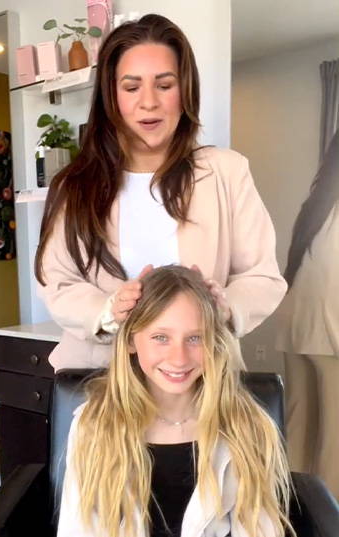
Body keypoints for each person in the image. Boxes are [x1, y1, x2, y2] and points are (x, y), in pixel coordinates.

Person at [35, 13, 287, 371]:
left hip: (203, 378)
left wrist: (226, 304)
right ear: (111, 96)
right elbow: (58, 281)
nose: (149, 102)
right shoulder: (75, 184)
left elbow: (262, 276)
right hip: (101, 377)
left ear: (184, 91)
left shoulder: (226, 171)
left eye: (164, 85)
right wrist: (107, 310)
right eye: (131, 86)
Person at [56, 266, 294, 537]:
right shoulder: (93, 426)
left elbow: (260, 529)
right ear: (132, 341)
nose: (179, 358)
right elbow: (78, 529)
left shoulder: (249, 427)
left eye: (195, 338)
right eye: (160, 337)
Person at [276, 129, 339, 500]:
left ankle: (288, 507)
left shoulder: (319, 202)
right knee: (334, 438)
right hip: (330, 335)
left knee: (300, 426)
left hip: (297, 329)